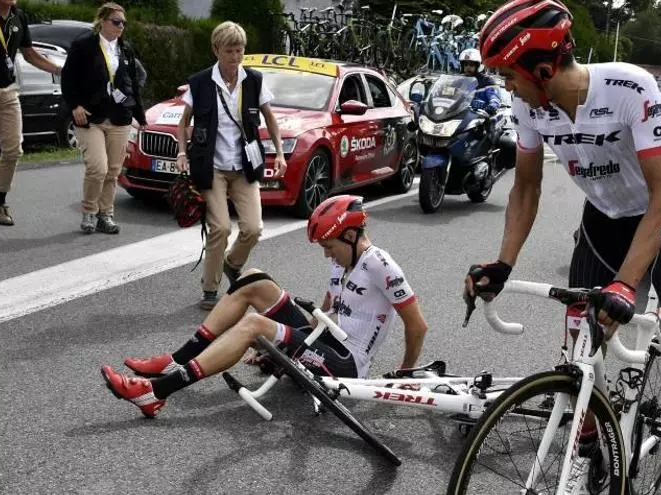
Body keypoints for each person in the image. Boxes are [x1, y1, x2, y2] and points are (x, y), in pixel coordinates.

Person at [466, 0, 661, 454]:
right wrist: (503, 263)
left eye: (508, 75)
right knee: (578, 355)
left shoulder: (629, 88)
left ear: (543, 70)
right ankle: (587, 449)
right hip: (602, 221)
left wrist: (624, 284)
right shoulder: (528, 106)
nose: (507, 87)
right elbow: (526, 188)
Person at [100, 195, 430, 418]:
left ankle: (156, 392)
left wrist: (401, 376)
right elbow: (325, 316)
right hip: (325, 341)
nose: (326, 254)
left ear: (351, 236)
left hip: (347, 364)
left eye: (329, 246)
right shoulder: (340, 262)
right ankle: (176, 360)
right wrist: (283, 344)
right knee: (254, 279)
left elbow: (417, 326)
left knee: (254, 325)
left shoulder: (381, 265)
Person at [174, 21, 288, 310]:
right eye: (229, 51)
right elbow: (183, 122)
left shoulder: (254, 80)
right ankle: (210, 289)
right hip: (212, 167)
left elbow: (270, 119)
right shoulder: (200, 82)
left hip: (244, 166)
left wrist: (279, 153)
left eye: (239, 51)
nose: (235, 57)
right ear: (216, 50)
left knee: (253, 228)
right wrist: (182, 152)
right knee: (221, 228)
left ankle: (232, 263)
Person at [0, 0, 62, 233]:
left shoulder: (19, 17)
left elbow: (30, 54)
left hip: (8, 90)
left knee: (14, 149)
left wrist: (60, 70)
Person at [61, 2, 147, 235]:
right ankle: (89, 211)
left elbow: (133, 84)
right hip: (91, 117)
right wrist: (75, 106)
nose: (121, 27)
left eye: (124, 23)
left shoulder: (126, 49)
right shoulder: (83, 45)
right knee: (98, 168)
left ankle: (105, 215)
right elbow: (68, 79)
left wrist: (140, 116)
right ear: (102, 21)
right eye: (116, 22)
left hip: (120, 117)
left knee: (113, 170)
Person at [459, 48, 501, 116]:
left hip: (479, 114)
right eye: (465, 65)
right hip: (460, 112)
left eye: (471, 65)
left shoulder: (487, 80)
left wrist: (492, 107)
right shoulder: (460, 80)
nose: (468, 67)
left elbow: (494, 96)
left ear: (478, 66)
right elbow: (449, 93)